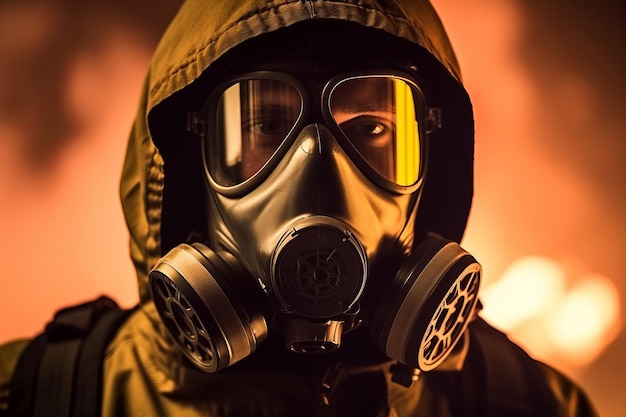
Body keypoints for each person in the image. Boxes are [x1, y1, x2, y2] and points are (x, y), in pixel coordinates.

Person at [0, 0, 599, 416]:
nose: (318, 168)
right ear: (184, 169)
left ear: (433, 166)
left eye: (369, 126)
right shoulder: (36, 396)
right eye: (263, 124)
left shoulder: (529, 405)